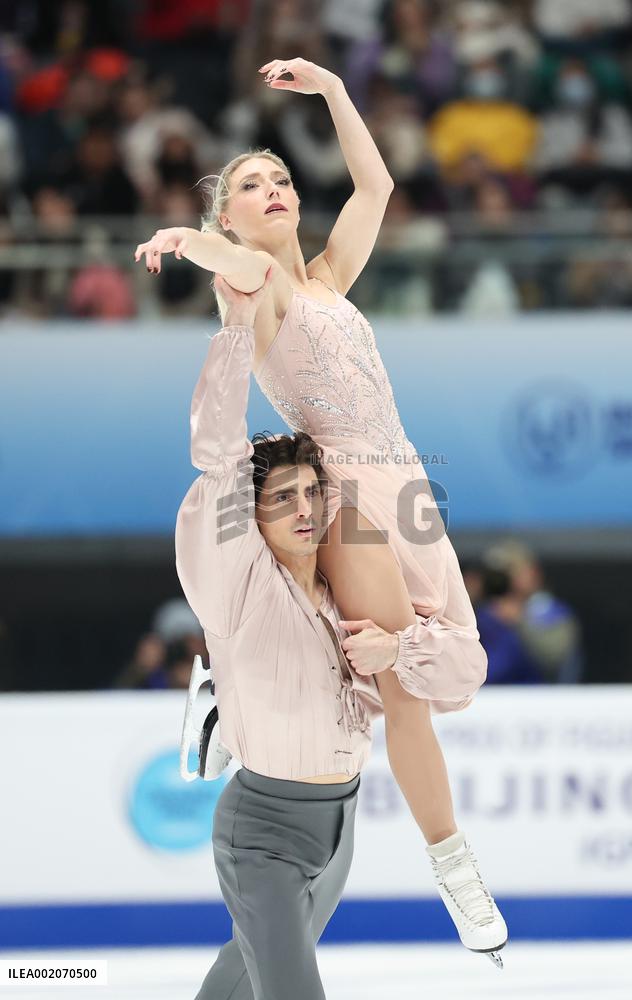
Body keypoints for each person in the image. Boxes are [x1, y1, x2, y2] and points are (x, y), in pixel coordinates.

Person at [137, 56, 507, 963]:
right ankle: (455, 867)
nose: (272, 190)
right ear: (231, 215)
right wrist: (193, 240)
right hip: (345, 498)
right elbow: (236, 266)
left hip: (405, 483)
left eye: (282, 180)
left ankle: (229, 690)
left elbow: (377, 183)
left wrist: (336, 91)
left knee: (441, 657)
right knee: (397, 681)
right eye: (251, 185)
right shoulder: (249, 290)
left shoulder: (331, 280)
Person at [175, 272, 504, 997]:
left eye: (312, 493)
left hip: (338, 825)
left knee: (237, 979)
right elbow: (220, 457)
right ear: (249, 516)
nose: (303, 509)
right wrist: (234, 326)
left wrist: (399, 650)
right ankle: (228, 700)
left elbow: (462, 673)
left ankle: (227, 702)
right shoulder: (234, 575)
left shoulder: (343, 596)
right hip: (261, 828)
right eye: (281, 498)